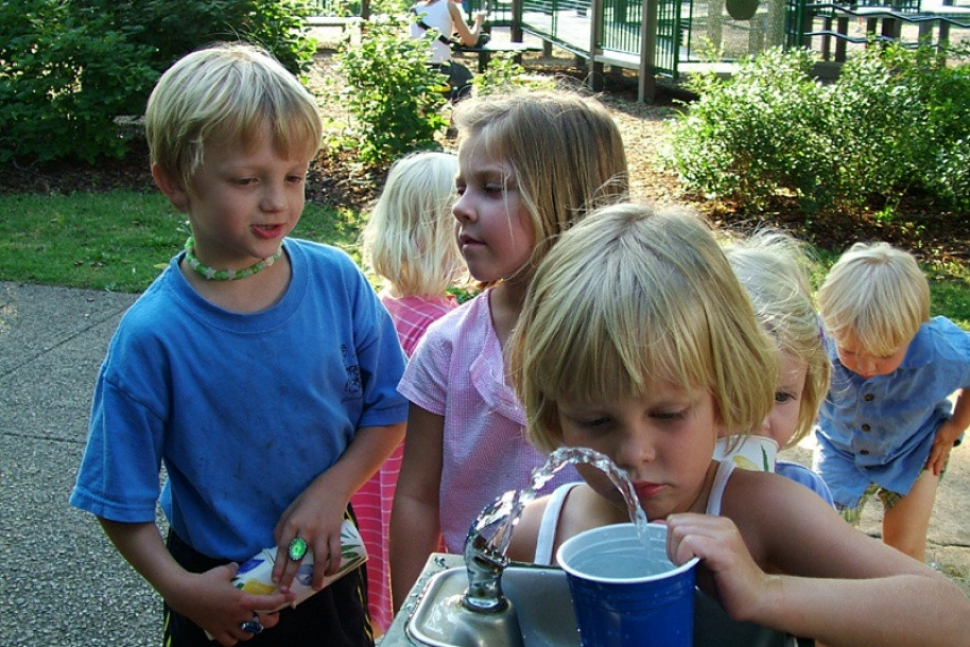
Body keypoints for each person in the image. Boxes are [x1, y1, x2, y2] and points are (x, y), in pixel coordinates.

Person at [505, 203, 970, 647]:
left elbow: (951, 617)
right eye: (595, 420)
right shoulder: (532, 533)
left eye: (668, 414)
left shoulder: (765, 514)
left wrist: (765, 591)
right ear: (554, 415)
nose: (634, 452)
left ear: (726, 399)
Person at [69, 42, 409, 647]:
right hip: (217, 587)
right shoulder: (154, 337)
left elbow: (389, 408)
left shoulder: (337, 281)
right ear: (174, 183)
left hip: (327, 565)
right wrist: (181, 590)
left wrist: (332, 492)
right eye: (247, 179)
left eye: (294, 177)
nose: (277, 200)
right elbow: (118, 498)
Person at [389, 88, 629, 611]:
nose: (460, 207)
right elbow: (414, 497)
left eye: (492, 188)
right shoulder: (447, 347)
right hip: (480, 608)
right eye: (461, 187)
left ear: (570, 200)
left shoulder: (631, 344)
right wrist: (410, 620)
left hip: (603, 604)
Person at [352, 150, 466, 633]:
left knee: (374, 587)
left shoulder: (377, 310)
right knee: (418, 596)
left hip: (369, 486)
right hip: (413, 488)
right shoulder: (446, 329)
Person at [814, 241, 970, 561]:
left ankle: (900, 604)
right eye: (850, 352)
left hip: (914, 452)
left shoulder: (941, 351)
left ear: (914, 331)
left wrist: (955, 426)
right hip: (840, 450)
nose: (866, 367)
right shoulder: (817, 337)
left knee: (905, 549)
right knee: (823, 541)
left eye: (884, 356)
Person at [718, 229, 835, 506]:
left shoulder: (806, 497)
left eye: (781, 397)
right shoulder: (661, 495)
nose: (759, 419)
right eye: (737, 396)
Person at [410, 0, 487, 102]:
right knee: (466, 77)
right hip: (440, 67)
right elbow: (471, 41)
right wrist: (479, 22)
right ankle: (460, 113)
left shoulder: (415, 8)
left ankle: (435, 104)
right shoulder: (449, 6)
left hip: (418, 68)